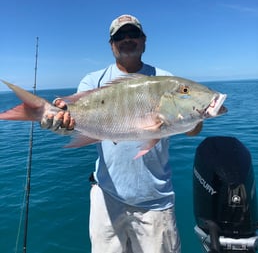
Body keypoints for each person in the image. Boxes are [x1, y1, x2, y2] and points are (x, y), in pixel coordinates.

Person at [42, 14, 202, 253]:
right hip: (107, 196)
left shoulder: (166, 80)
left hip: (155, 200)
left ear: (144, 39)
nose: (127, 39)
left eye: (133, 34)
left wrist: (198, 115)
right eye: (119, 36)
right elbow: (75, 124)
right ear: (111, 44)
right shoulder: (92, 81)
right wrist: (57, 122)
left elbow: (193, 130)